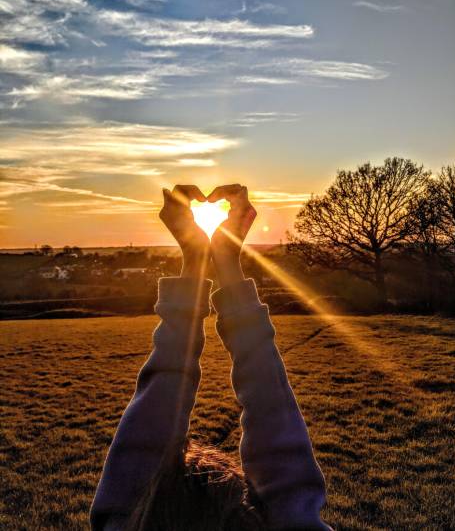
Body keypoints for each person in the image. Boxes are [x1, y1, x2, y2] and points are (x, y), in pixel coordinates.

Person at [90, 184, 331, 531]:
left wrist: (193, 259)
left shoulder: (130, 520)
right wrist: (227, 260)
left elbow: (136, 470)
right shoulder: (126, 517)